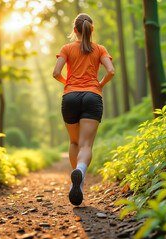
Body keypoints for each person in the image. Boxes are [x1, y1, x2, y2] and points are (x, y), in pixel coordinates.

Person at [52, 13, 115, 206]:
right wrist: (100, 85)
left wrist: (68, 83)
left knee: (74, 142)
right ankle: (80, 171)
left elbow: (56, 73)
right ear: (91, 30)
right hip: (92, 96)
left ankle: (76, 185)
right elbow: (111, 71)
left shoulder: (67, 48)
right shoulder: (100, 49)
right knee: (86, 145)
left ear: (75, 30)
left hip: (70, 97)